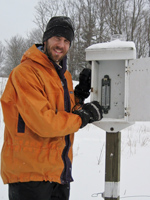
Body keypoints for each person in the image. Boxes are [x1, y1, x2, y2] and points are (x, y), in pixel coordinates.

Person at [0, 16, 103, 200]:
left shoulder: (63, 76)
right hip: (30, 176)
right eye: (57, 38)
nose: (61, 45)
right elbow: (44, 122)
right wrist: (82, 118)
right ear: (45, 39)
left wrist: (79, 96)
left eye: (66, 41)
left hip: (58, 173)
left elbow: (63, 113)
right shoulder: (25, 73)